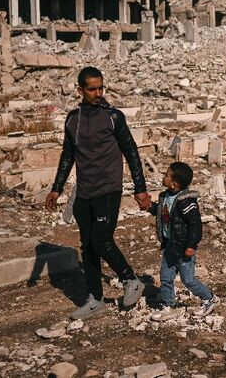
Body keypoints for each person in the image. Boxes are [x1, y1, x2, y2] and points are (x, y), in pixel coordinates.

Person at [45, 66, 152, 320]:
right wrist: (56, 187)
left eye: (101, 87)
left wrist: (141, 188)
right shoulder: (73, 119)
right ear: (80, 90)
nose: (98, 93)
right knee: (87, 248)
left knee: (101, 240)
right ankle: (95, 299)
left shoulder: (114, 117)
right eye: (92, 89)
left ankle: (130, 280)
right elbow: (67, 155)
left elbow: (131, 152)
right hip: (84, 192)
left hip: (108, 189)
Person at [148, 162, 219, 319]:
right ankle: (168, 306)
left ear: (174, 184)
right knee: (166, 277)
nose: (163, 177)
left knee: (188, 280)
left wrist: (191, 245)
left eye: (166, 175)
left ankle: (209, 298)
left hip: (184, 248)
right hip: (170, 246)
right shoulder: (165, 196)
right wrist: (149, 206)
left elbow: (195, 224)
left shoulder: (186, 201)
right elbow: (162, 213)